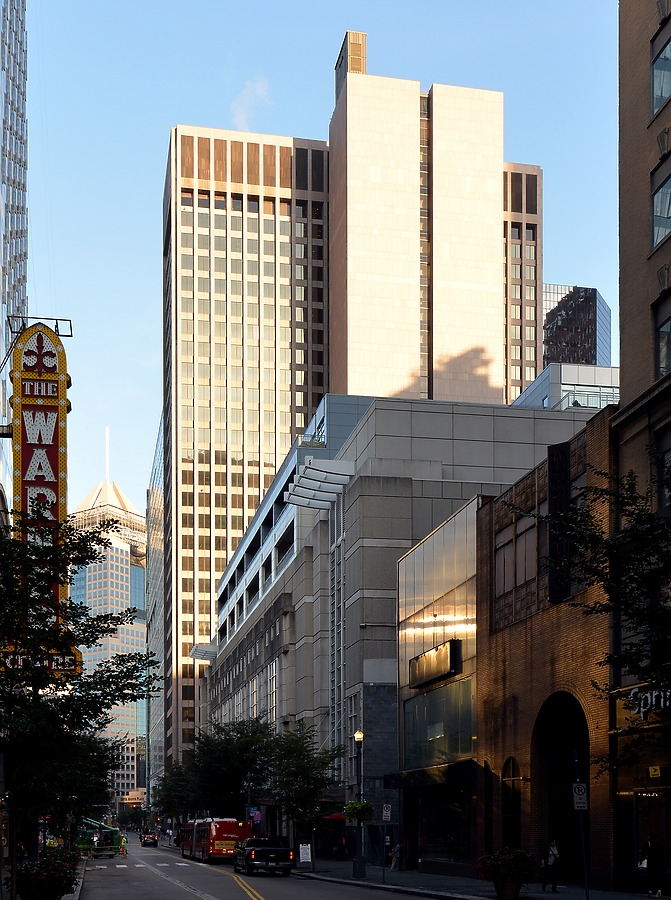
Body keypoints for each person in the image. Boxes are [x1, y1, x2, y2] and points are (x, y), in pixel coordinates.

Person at [640, 833, 664, 898]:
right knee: (656, 877)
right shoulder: (658, 845)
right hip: (657, 864)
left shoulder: (648, 845)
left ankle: (651, 890)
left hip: (652, 864)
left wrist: (642, 859)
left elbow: (643, 853)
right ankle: (657, 890)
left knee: (650, 877)